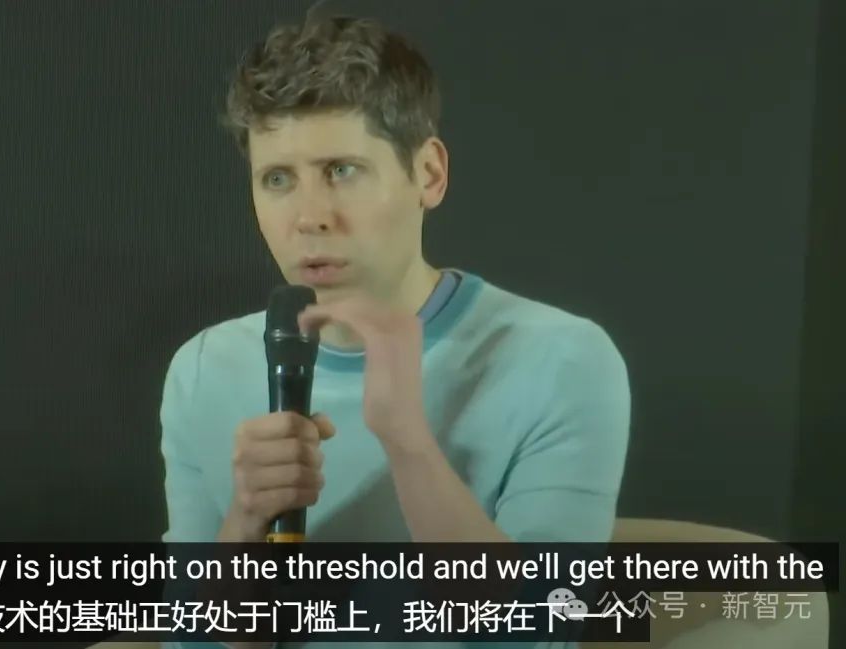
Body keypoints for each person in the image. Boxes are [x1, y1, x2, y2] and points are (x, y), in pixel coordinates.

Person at [156, 11, 630, 648]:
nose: (309, 217)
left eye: (341, 170)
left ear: (428, 174)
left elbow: (538, 631)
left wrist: (408, 443)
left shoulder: (561, 359)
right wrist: (245, 522)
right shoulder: (203, 369)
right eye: (278, 179)